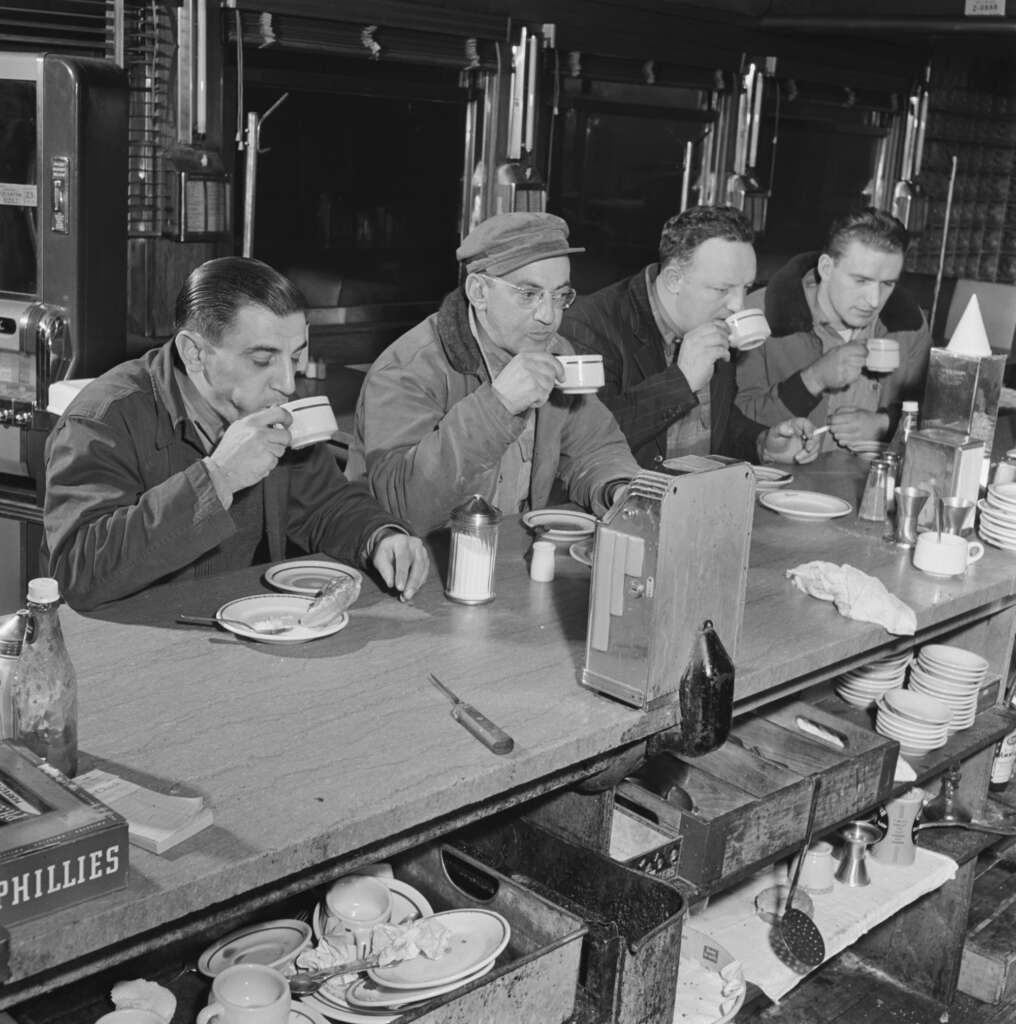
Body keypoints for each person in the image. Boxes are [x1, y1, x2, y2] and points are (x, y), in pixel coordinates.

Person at [43, 257, 429, 611]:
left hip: (251, 636)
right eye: (262, 359)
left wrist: (381, 536)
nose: (287, 382)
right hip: (139, 655)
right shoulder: (103, 420)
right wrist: (218, 477)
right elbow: (78, 574)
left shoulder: (266, 409)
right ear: (194, 353)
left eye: (295, 357)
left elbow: (326, 506)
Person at [346, 212, 641, 535]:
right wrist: (498, 406)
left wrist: (618, 488)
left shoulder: (555, 352)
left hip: (505, 554)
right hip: (412, 565)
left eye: (559, 296)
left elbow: (594, 446)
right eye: (529, 294)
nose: (549, 316)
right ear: (478, 292)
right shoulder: (407, 369)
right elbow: (407, 511)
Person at [558, 205, 820, 469]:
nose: (738, 305)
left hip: (699, 499)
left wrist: (763, 442)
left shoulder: (711, 321)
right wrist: (680, 383)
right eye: (722, 289)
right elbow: (582, 442)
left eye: (746, 288)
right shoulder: (589, 327)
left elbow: (717, 422)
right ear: (674, 279)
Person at [735, 208, 932, 450]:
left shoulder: (909, 324)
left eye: (888, 283)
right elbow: (734, 425)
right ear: (826, 268)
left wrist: (885, 424)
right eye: (861, 281)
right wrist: (813, 379)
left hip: (868, 480)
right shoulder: (759, 314)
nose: (874, 300)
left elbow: (934, 414)